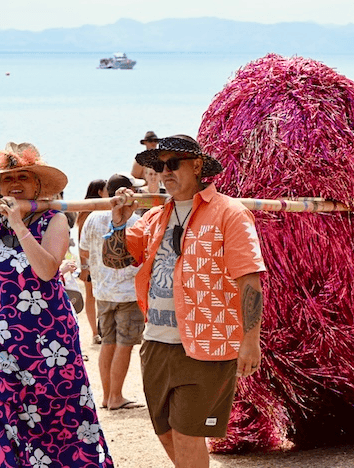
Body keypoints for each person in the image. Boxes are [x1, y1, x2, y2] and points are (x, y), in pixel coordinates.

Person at [0, 142, 112, 467]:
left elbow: (46, 269)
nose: (16, 183)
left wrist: (18, 223)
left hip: (49, 341)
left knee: (59, 418)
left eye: (24, 177)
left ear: (38, 184)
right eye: (9, 177)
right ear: (0, 186)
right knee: (0, 419)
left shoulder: (55, 220)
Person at [102, 134, 265, 468]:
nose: (165, 172)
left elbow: (250, 279)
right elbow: (114, 259)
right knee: (166, 433)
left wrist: (251, 340)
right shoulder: (154, 218)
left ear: (197, 166)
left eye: (173, 163)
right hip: (156, 344)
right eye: (160, 166)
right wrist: (118, 223)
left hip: (208, 344)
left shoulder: (230, 213)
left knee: (188, 434)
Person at [79, 173, 145, 411]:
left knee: (108, 343)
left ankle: (107, 396)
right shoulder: (135, 221)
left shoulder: (92, 217)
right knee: (124, 344)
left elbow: (84, 251)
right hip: (127, 291)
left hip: (102, 290)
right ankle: (116, 396)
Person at [77, 178, 107, 343]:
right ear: (99, 192)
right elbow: (81, 240)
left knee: (96, 296)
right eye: (106, 189)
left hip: (98, 262)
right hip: (90, 262)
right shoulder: (87, 213)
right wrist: (84, 267)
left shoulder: (99, 211)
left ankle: (99, 330)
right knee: (91, 296)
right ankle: (95, 332)